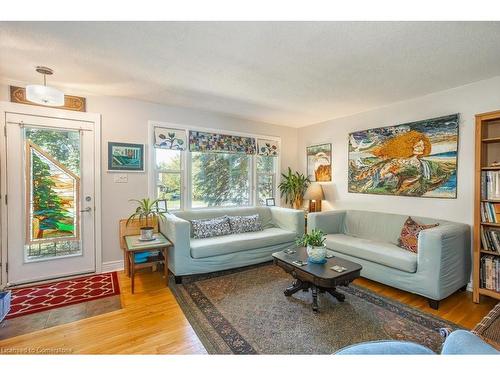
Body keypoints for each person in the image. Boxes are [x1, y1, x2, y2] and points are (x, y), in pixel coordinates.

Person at [351, 130, 455, 196]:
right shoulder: (395, 161)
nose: (421, 149)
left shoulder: (426, 164)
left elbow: (441, 175)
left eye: (423, 146)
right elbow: (382, 175)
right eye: (418, 146)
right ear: (408, 147)